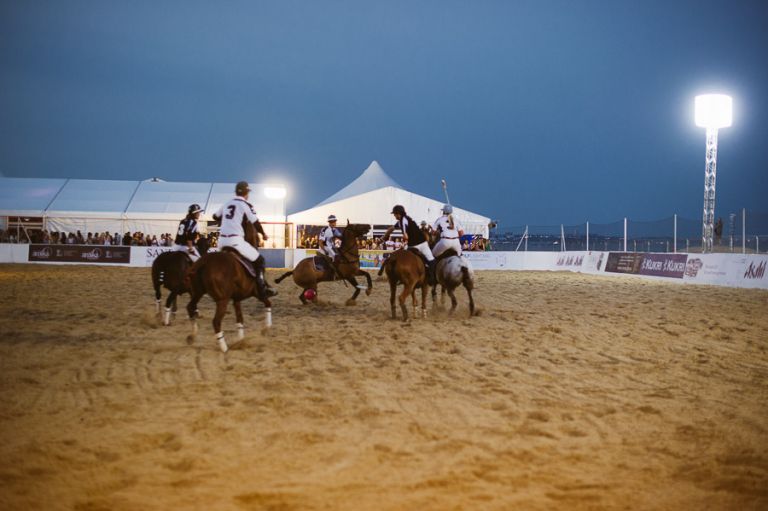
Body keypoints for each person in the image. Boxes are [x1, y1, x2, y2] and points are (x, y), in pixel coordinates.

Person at [213, 181, 277, 297]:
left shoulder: (227, 203)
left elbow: (215, 216)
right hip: (236, 241)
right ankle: (262, 288)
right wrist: (263, 234)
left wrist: (227, 222)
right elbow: (255, 222)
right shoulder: (245, 205)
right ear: (246, 193)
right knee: (260, 261)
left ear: (236, 192)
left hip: (221, 242)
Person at [383, 205, 436, 285]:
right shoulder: (406, 219)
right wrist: (383, 237)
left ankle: (402, 278)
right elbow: (391, 229)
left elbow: (405, 236)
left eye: (394, 214)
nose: (394, 216)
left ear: (398, 214)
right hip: (422, 243)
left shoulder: (402, 221)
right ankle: (432, 279)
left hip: (413, 246)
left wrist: (384, 238)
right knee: (432, 261)